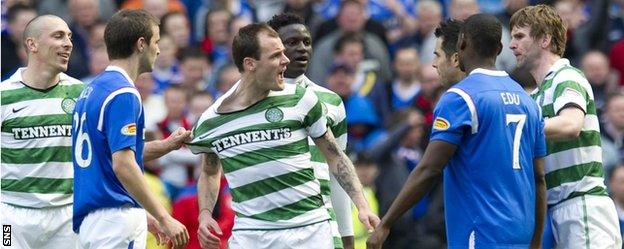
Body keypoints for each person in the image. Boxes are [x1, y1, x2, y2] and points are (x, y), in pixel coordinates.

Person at [187, 23, 379, 249]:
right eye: (276, 55)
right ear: (250, 64)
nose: (286, 60)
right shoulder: (211, 121)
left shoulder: (301, 99)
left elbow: (335, 157)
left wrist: (362, 206)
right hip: (251, 236)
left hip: (309, 230)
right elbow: (209, 172)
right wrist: (205, 215)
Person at [367, 14, 547, 249]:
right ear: (500, 47)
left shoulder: (460, 97)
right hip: (521, 232)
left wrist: (385, 224)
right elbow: (540, 179)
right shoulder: (527, 100)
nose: (433, 63)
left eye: (436, 55)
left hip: (481, 232)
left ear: (461, 44)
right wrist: (536, 242)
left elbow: (429, 169)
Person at [72, 9, 189, 248]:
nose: (158, 50)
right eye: (156, 42)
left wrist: (165, 146)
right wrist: (163, 216)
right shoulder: (123, 93)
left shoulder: (91, 91)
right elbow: (123, 164)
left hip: (96, 221)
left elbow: (107, 154)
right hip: (115, 221)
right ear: (141, 44)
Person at [509, 5, 622, 248]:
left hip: (582, 205)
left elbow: (571, 125)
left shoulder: (566, 76)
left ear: (545, 39)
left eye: (519, 36)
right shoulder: (537, 95)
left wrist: (515, 126)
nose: (511, 45)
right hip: (563, 210)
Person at [267, 13, 355, 249]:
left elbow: (339, 172)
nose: (302, 48)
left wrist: (347, 237)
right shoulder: (254, 101)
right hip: (268, 229)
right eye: (292, 42)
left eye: (306, 42)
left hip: (320, 228)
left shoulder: (331, 101)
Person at [0, 14, 83, 248]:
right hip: (10, 217)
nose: (68, 43)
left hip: (65, 216)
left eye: (69, 37)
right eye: (58, 36)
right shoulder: (3, 96)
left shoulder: (81, 93)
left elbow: (104, 152)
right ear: (32, 44)